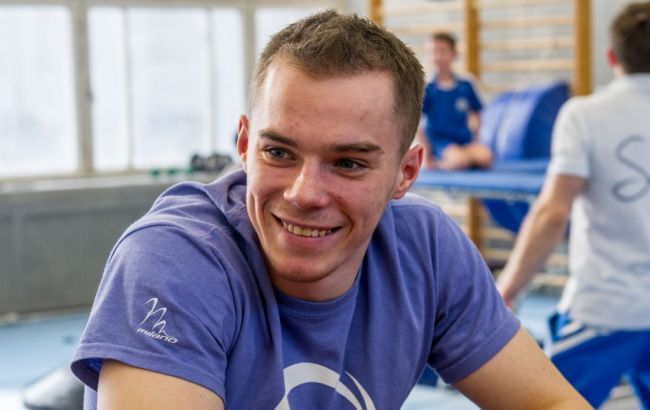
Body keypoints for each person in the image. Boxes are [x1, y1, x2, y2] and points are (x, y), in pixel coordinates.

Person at [71, 10, 589, 409]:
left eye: (348, 163)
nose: (304, 193)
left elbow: (553, 402)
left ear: (406, 172)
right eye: (279, 153)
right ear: (245, 145)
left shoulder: (425, 252)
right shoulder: (173, 261)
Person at [497, 2, 650, 408]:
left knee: (547, 403)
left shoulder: (586, 114)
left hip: (606, 309)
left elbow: (552, 214)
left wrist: (507, 289)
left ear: (612, 57)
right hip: (617, 305)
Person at [416, 32, 492, 170]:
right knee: (459, 160)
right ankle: (443, 163)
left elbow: (477, 113)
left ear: (454, 54)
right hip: (441, 142)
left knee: (486, 157)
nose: (437, 57)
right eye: (433, 52)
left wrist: (476, 138)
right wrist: (426, 151)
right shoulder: (428, 88)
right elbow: (417, 122)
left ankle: (463, 159)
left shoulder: (465, 85)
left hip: (464, 140)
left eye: (442, 51)